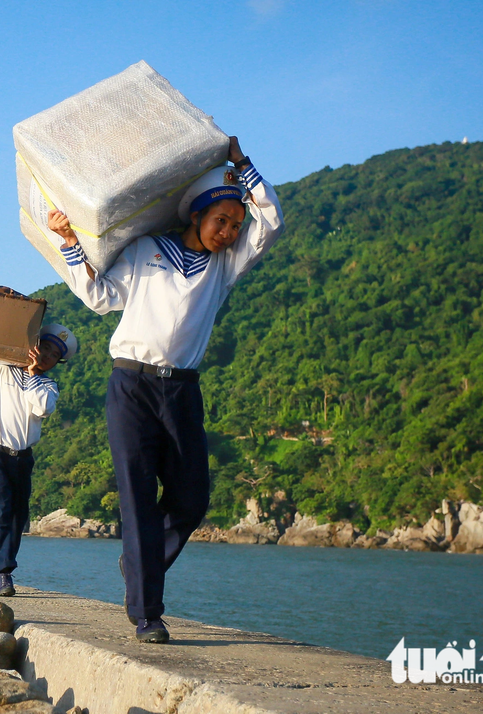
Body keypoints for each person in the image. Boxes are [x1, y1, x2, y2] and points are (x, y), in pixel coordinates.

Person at [47, 136, 283, 643]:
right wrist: (70, 242)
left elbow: (272, 222)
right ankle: (147, 614)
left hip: (182, 392)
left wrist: (242, 165)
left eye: (235, 225)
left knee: (191, 499)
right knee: (136, 497)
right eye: (221, 220)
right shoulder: (147, 250)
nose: (229, 232)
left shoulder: (224, 267)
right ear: (197, 215)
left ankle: (140, 561)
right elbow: (99, 296)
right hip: (131, 385)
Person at [0, 324, 76, 597]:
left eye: (54, 355)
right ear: (33, 345)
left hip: (22, 459)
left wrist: (32, 374)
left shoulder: (48, 386)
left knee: (18, 517)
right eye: (44, 347)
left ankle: (0, 570)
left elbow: (42, 408)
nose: (46, 355)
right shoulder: (4, 370)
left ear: (58, 363)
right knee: (0, 511)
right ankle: (4, 572)